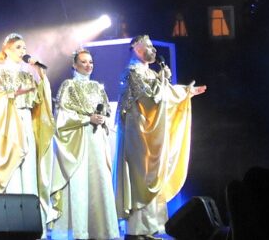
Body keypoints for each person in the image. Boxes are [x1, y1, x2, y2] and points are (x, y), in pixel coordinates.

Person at [114, 35, 206, 240]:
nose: (153, 50)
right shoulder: (131, 72)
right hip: (137, 131)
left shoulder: (151, 73)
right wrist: (163, 80)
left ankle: (151, 227)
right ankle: (136, 230)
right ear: (136, 48)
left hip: (151, 131)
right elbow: (149, 98)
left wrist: (187, 92)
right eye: (148, 46)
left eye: (152, 46)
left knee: (154, 174)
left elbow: (165, 93)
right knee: (140, 176)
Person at [0, 33, 56, 227]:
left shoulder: (28, 74)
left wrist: (40, 76)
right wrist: (14, 93)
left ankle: (29, 222)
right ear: (7, 49)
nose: (23, 51)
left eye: (24, 48)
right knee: (12, 168)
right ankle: (9, 222)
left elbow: (39, 100)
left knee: (28, 168)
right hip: (9, 124)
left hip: (26, 120)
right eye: (18, 47)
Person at [50, 48, 120, 240]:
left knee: (98, 181)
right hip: (78, 140)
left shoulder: (97, 86)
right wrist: (87, 119)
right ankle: (78, 231)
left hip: (96, 139)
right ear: (74, 65)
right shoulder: (69, 85)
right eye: (83, 62)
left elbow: (106, 112)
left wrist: (102, 119)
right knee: (80, 182)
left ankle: (100, 230)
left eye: (90, 62)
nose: (88, 65)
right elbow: (62, 115)